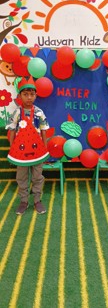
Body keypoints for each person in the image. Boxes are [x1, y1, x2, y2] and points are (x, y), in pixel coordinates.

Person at [6, 76, 49, 215]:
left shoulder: (39, 112)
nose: (29, 97)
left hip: (38, 152)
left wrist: (45, 150)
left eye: (31, 94)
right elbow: (12, 131)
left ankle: (37, 200)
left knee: (37, 176)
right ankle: (24, 201)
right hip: (21, 152)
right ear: (20, 96)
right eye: (25, 94)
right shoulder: (17, 112)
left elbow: (43, 131)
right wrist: (13, 150)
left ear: (36, 95)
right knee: (22, 177)